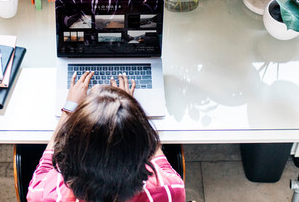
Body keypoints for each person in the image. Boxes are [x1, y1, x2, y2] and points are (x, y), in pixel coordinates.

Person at [27, 71, 186, 202]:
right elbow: (162, 165)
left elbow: (45, 168)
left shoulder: (44, 196)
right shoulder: (170, 192)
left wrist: (70, 108)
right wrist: (128, 112)